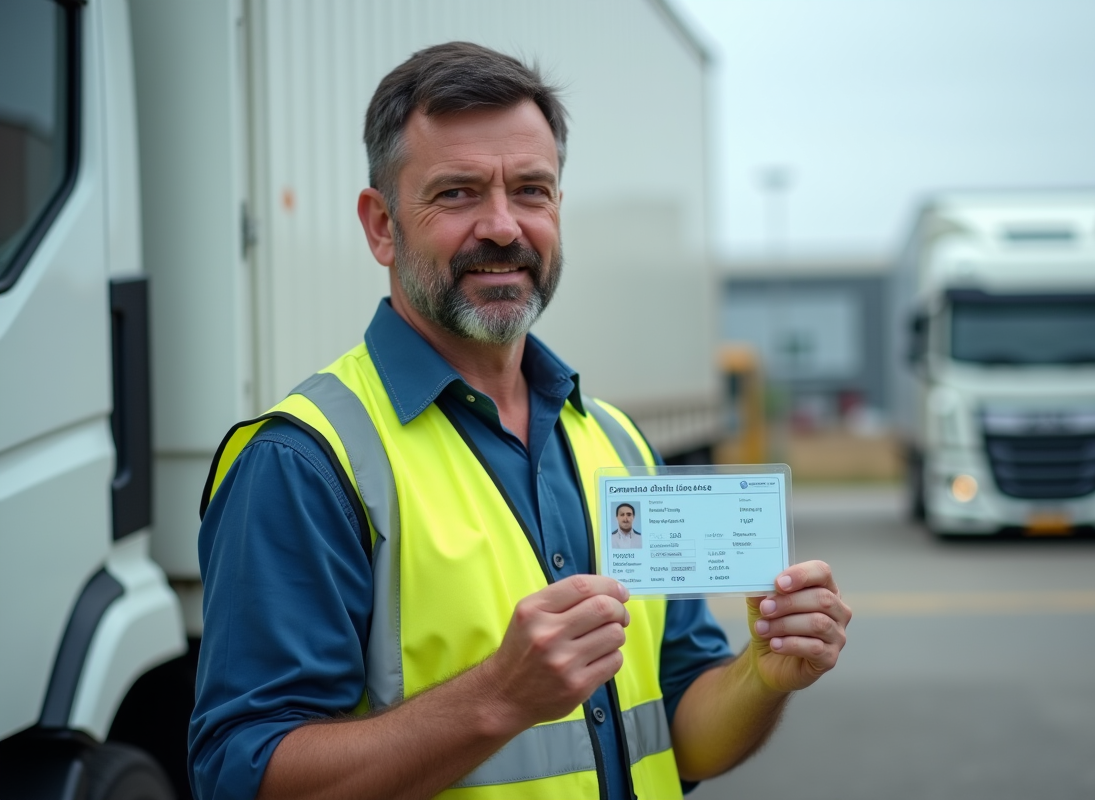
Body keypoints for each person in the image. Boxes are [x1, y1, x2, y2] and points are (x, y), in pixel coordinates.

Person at [189, 41, 851, 800]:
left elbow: (679, 737)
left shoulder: (619, 445)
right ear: (381, 225)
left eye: (531, 191)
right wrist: (498, 696)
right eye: (459, 193)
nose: (503, 227)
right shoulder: (304, 462)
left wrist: (761, 676)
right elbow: (243, 776)